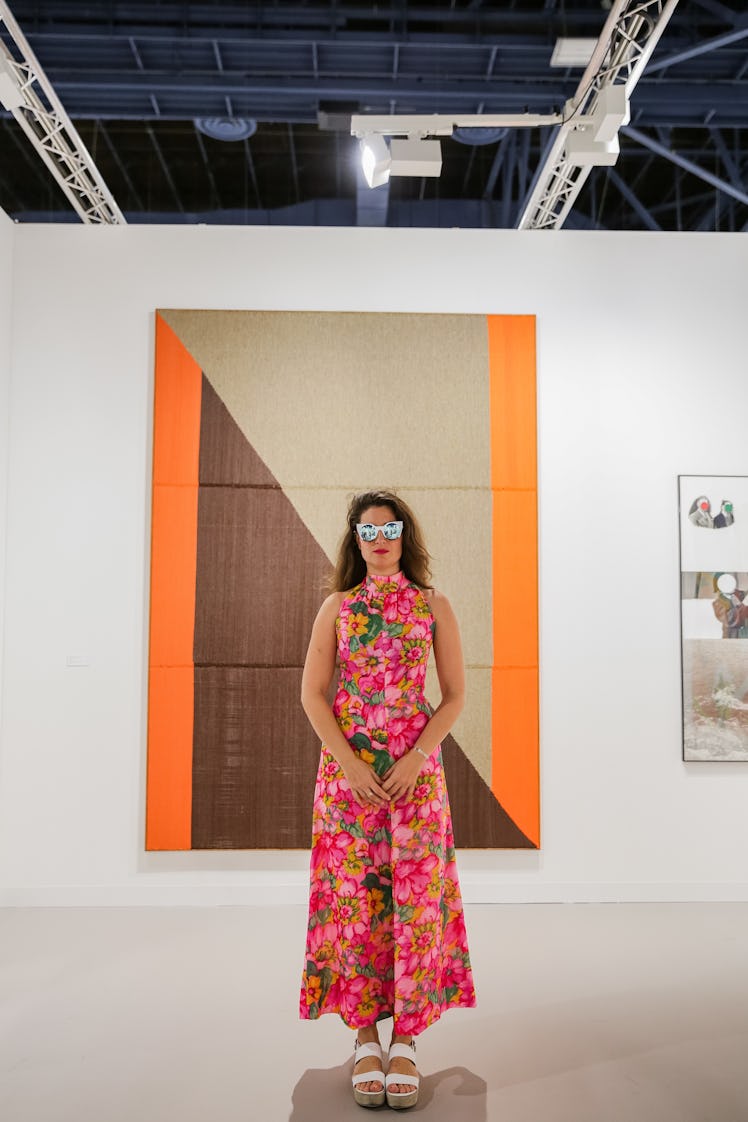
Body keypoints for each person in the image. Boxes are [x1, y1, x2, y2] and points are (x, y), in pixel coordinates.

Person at [299, 488, 476, 1110]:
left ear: (405, 535)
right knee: (355, 906)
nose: (379, 538)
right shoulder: (337, 608)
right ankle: (365, 1037)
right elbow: (313, 695)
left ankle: (407, 1037)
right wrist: (348, 764)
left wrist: (417, 757)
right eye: (367, 530)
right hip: (348, 784)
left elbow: (454, 695)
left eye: (390, 527)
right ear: (355, 539)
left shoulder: (433, 605)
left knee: (413, 903)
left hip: (414, 778)